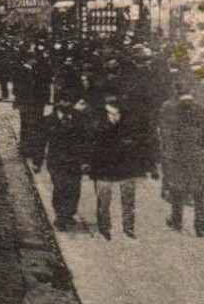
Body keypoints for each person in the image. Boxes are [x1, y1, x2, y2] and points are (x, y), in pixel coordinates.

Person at [89, 95, 151, 239]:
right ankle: (104, 227)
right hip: (104, 167)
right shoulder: (97, 122)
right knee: (103, 199)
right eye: (112, 114)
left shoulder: (128, 121)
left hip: (125, 167)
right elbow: (91, 145)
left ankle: (129, 227)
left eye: (117, 113)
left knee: (128, 197)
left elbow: (136, 141)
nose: (115, 116)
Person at [158, 84, 204, 235]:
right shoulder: (200, 108)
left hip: (176, 153)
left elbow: (164, 131)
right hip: (197, 153)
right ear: (191, 91)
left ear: (176, 92)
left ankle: (176, 221)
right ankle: (200, 224)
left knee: (177, 186)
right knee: (200, 189)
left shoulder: (169, 107)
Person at [43, 96, 92, 230]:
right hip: (56, 161)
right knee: (60, 186)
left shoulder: (80, 120)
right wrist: (37, 160)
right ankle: (60, 215)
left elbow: (86, 142)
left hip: (75, 161)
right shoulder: (49, 120)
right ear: (57, 102)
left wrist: (86, 161)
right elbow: (41, 142)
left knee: (74, 188)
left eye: (69, 100)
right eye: (64, 100)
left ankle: (69, 214)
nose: (67, 103)